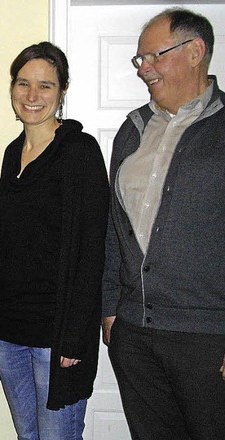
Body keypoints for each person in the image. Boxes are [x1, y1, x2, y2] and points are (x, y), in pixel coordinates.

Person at [102, 8, 225, 439]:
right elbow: (113, 229)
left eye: (153, 57)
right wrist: (111, 310)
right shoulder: (132, 130)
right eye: (139, 60)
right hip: (135, 334)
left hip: (209, 338)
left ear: (196, 52)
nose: (144, 70)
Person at [0, 42, 109, 440]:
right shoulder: (11, 153)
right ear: (12, 89)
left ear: (62, 91)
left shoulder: (79, 151)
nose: (32, 96)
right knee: (27, 436)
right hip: (9, 329)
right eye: (23, 84)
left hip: (57, 333)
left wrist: (75, 337)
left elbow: (93, 250)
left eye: (45, 85)